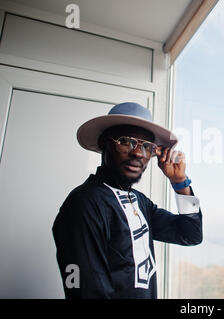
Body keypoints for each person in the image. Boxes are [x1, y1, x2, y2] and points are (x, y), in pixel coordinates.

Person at [52, 102, 202, 299]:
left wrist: (179, 181)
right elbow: (88, 292)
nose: (138, 153)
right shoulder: (84, 203)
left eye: (147, 146)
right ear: (104, 143)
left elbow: (190, 235)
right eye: (126, 141)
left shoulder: (139, 201)